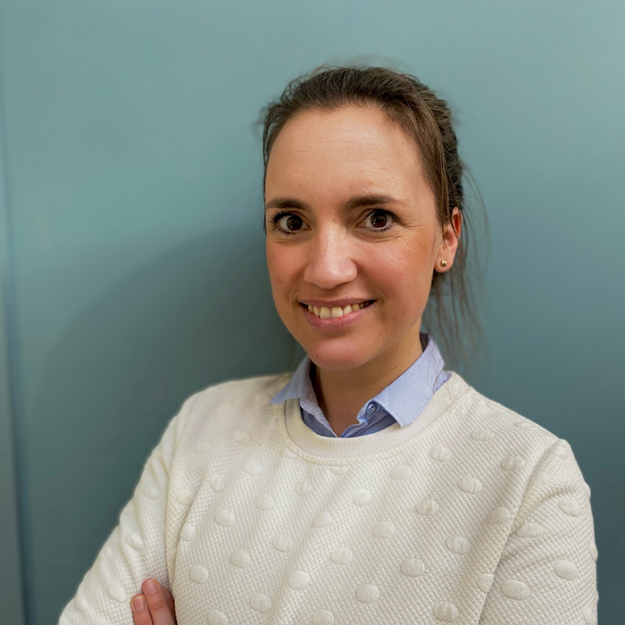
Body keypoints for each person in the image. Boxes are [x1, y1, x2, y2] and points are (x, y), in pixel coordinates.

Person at [58, 65, 598, 625]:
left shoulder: (530, 480)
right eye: (292, 221)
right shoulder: (202, 428)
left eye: (377, 218)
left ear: (446, 237)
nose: (326, 269)